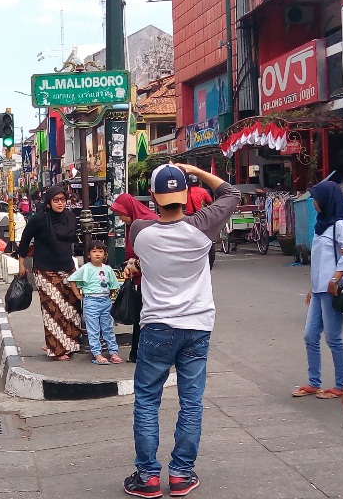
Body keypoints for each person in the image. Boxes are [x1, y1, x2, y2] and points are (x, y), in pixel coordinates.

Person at [123, 163, 238, 499]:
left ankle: (147, 477)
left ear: (155, 197)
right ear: (187, 195)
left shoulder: (140, 232)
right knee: (191, 402)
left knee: (146, 400)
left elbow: (139, 213)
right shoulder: (202, 228)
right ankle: (181, 475)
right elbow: (229, 192)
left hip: (157, 327)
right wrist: (194, 171)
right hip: (197, 326)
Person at [292, 180, 343, 401]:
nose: (313, 202)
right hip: (318, 289)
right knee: (310, 335)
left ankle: (340, 385)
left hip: (332, 288)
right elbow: (318, 261)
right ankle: (314, 382)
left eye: (316, 198)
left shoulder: (340, 226)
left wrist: (335, 279)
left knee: (333, 338)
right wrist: (311, 288)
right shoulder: (321, 225)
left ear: (327, 200)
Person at [16, 185, 81, 361]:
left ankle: (69, 344)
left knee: (72, 308)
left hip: (68, 267)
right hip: (45, 269)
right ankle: (57, 349)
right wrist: (21, 265)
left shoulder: (70, 217)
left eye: (63, 200)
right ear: (49, 201)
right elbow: (24, 241)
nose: (60, 203)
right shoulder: (39, 219)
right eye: (56, 200)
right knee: (54, 309)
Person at [109, 194, 159, 363]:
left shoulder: (149, 222)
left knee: (148, 317)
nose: (121, 219)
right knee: (141, 317)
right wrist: (128, 266)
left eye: (121, 214)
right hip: (139, 279)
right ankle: (137, 353)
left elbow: (154, 254)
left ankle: (145, 353)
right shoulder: (134, 225)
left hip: (152, 280)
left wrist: (134, 266)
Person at [68, 240, 123, 365]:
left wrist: (109, 296)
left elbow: (113, 285)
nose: (97, 254)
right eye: (94, 251)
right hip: (91, 301)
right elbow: (72, 279)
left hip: (105, 301)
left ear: (105, 254)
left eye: (100, 251)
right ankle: (97, 354)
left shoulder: (108, 269)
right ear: (88, 255)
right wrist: (78, 294)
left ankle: (113, 352)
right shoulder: (86, 268)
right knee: (93, 329)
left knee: (108, 328)